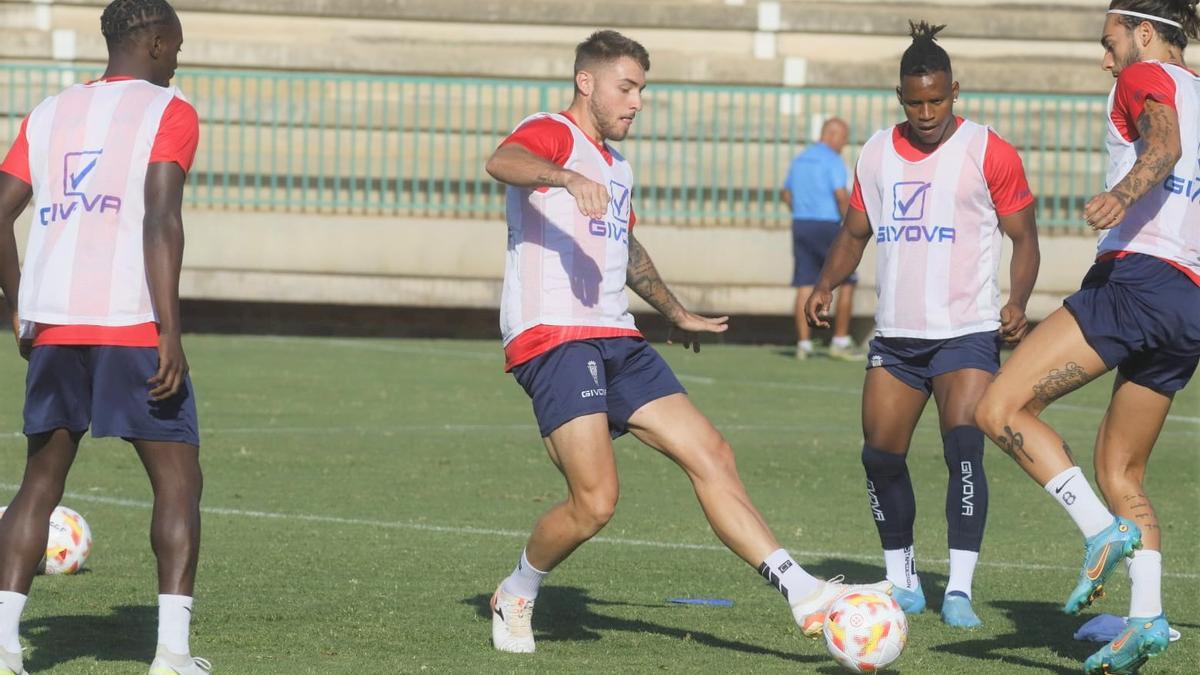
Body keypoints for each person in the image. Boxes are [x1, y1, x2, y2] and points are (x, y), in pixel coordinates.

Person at [483, 29, 888, 654]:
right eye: (626, 87)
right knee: (595, 503)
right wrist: (563, 177)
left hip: (617, 334)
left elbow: (627, 248)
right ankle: (516, 590)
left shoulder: (618, 166)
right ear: (585, 82)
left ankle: (804, 592)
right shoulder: (551, 133)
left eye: (641, 89)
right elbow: (501, 161)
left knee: (712, 452)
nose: (636, 101)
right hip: (555, 337)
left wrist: (675, 311)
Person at [974, 1, 1198, 671]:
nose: (1106, 58)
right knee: (1121, 468)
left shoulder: (1143, 77)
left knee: (999, 407)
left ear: (1145, 34)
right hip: (1190, 302)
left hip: (1139, 281)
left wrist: (1122, 196)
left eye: (1111, 42)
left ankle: (1101, 530)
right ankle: (1147, 618)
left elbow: (1164, 145)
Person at [805, 21, 1040, 629]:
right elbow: (855, 233)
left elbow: (1024, 237)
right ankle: (902, 576)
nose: (928, 111)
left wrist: (1017, 300)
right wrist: (827, 284)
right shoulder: (877, 151)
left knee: (964, 452)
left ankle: (958, 587)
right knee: (880, 457)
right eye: (916, 102)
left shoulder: (989, 150)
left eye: (937, 99)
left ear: (955, 90)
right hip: (897, 337)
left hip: (966, 332)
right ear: (901, 97)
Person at [0, 1, 209, 673]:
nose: (179, 56)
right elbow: (160, 218)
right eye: (175, 44)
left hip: (56, 318)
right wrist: (169, 329)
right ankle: (171, 654)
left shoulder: (48, 112)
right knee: (177, 481)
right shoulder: (168, 109)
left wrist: (20, 304)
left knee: (41, 478)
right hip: (128, 318)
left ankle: (4, 644)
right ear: (152, 43)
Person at [781, 117, 861, 360]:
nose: (844, 144)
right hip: (828, 225)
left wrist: (803, 210)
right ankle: (840, 340)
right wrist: (851, 226)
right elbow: (840, 195)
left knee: (805, 283)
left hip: (802, 224)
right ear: (833, 135)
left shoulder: (800, 159)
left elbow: (785, 194)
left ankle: (803, 345)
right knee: (846, 280)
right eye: (844, 139)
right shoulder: (833, 160)